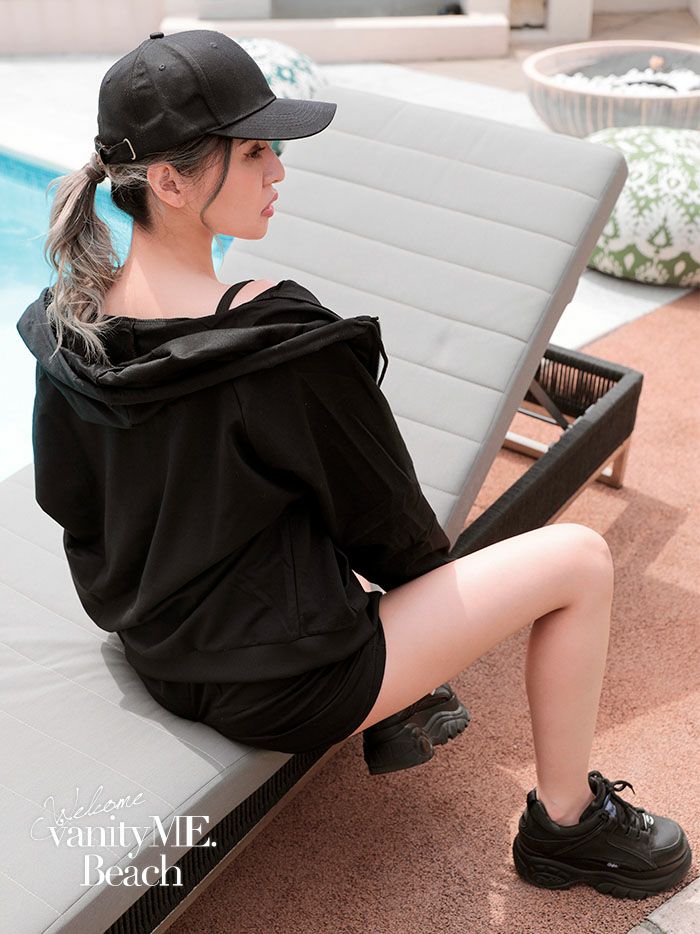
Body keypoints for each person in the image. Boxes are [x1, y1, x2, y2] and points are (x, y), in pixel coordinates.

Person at [16, 30, 691, 902]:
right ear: (172, 183)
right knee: (580, 562)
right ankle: (566, 827)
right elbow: (394, 529)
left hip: (155, 646)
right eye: (253, 152)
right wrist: (418, 639)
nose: (278, 170)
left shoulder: (67, 326)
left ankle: (411, 705)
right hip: (286, 687)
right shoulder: (277, 343)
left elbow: (71, 502)